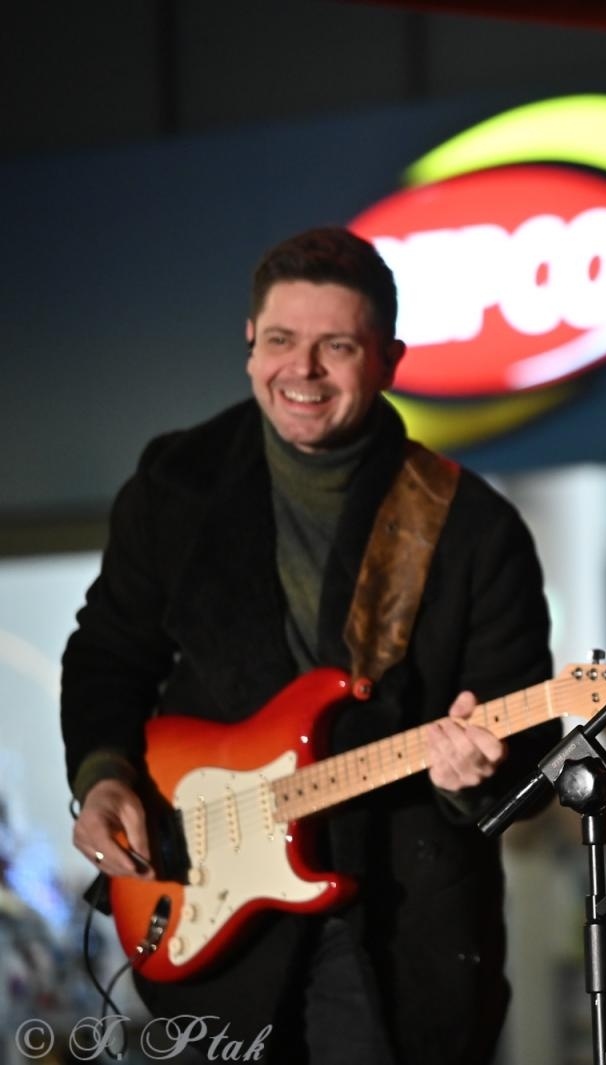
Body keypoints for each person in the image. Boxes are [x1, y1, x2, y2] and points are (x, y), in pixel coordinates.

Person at [60, 228, 555, 1065]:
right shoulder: (172, 484)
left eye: (338, 346)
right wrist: (102, 774)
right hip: (206, 908)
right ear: (250, 344)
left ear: (390, 358)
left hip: (395, 927)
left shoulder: (475, 528)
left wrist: (478, 773)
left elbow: (529, 745)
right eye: (283, 341)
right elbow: (108, 653)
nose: (304, 371)